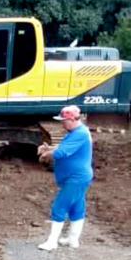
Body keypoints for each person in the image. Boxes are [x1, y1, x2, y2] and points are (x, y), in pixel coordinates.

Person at [37, 104, 93, 251]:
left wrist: (46, 154)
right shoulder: (74, 132)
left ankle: (52, 242)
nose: (62, 123)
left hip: (75, 178)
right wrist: (48, 148)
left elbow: (62, 152)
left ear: (73, 119)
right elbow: (63, 147)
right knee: (76, 207)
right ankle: (72, 239)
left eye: (64, 120)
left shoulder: (79, 133)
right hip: (75, 177)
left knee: (59, 206)